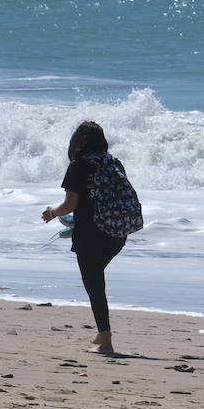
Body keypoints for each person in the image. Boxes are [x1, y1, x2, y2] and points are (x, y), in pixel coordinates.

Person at [41, 121, 128, 355]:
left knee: (94, 285)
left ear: (79, 142)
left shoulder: (78, 166)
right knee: (96, 281)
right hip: (117, 232)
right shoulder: (114, 163)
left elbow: (70, 204)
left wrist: (52, 213)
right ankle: (101, 334)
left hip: (90, 233)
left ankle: (106, 341)